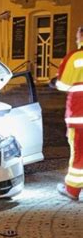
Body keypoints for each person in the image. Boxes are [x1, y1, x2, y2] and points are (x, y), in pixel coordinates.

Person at [55, 26, 83, 200]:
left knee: (79, 153)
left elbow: (63, 83)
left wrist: (55, 83)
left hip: (79, 116)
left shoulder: (75, 57)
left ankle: (72, 190)